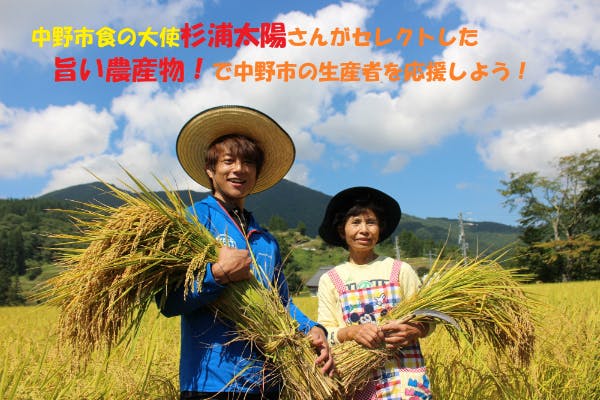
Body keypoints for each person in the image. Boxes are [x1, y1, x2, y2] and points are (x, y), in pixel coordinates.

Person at [158, 105, 333, 400]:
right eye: (228, 161)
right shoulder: (192, 222)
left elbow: (282, 303)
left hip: (268, 381)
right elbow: (168, 301)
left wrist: (313, 329)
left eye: (248, 162)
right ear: (210, 170)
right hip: (212, 383)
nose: (239, 169)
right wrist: (217, 275)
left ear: (256, 173)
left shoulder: (265, 241)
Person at [316, 186, 432, 400]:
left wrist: (414, 330)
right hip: (358, 379)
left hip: (405, 378)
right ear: (342, 230)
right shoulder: (331, 279)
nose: (364, 230)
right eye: (355, 222)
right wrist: (352, 332)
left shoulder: (400, 270)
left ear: (380, 229)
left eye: (371, 222)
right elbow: (326, 332)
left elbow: (428, 319)